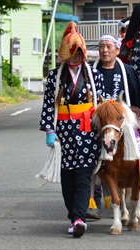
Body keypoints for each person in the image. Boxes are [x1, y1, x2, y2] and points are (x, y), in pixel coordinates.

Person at [39, 21, 105, 238]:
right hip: (64, 134)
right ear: (66, 54)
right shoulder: (54, 77)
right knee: (67, 178)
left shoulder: (93, 76)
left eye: (79, 53)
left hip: (88, 132)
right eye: (72, 53)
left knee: (84, 176)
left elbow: (102, 104)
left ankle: (79, 219)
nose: (76, 57)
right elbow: (49, 104)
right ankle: (73, 214)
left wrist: (105, 132)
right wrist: (50, 130)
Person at [86, 34, 140, 219]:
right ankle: (91, 201)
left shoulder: (126, 70)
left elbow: (139, 95)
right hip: (100, 120)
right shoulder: (91, 71)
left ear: (117, 50)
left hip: (123, 120)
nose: (104, 50)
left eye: (109, 46)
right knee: (87, 152)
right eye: (101, 46)